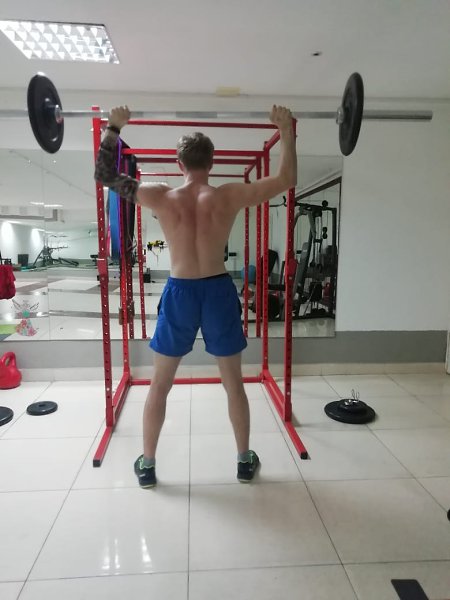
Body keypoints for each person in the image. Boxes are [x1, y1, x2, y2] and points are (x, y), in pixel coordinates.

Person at [94, 105, 297, 488]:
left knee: (160, 384)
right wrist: (285, 129)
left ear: (179, 163)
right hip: (218, 290)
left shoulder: (161, 196)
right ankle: (244, 461)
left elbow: (103, 175)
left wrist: (114, 127)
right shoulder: (229, 195)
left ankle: (148, 466)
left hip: (180, 291)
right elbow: (287, 178)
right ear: (212, 162)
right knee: (233, 383)